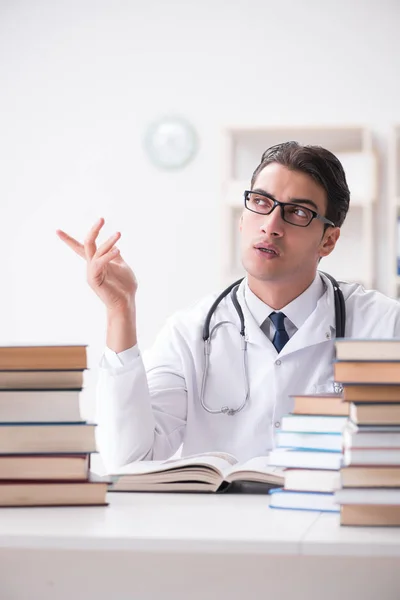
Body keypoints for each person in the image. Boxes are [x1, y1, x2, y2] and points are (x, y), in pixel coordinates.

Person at [57, 141, 400, 471]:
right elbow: (128, 459)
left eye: (297, 212)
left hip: (333, 527)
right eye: (262, 203)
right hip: (221, 529)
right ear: (242, 218)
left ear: (328, 240)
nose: (271, 225)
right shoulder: (190, 333)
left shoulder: (384, 326)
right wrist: (121, 310)